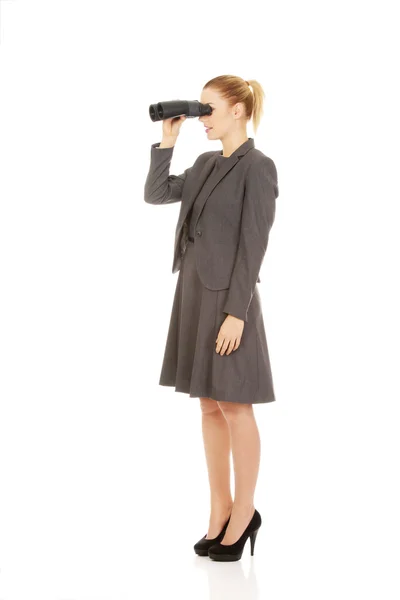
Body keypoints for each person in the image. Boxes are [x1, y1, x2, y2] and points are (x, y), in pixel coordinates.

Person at [144, 75, 279, 561]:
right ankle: (219, 508)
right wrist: (168, 140)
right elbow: (157, 194)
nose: (202, 116)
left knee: (236, 405)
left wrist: (236, 314)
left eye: (209, 108)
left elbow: (253, 247)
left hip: (229, 303)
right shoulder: (203, 163)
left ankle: (245, 512)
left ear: (239, 111)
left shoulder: (258, 168)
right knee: (207, 404)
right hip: (193, 295)